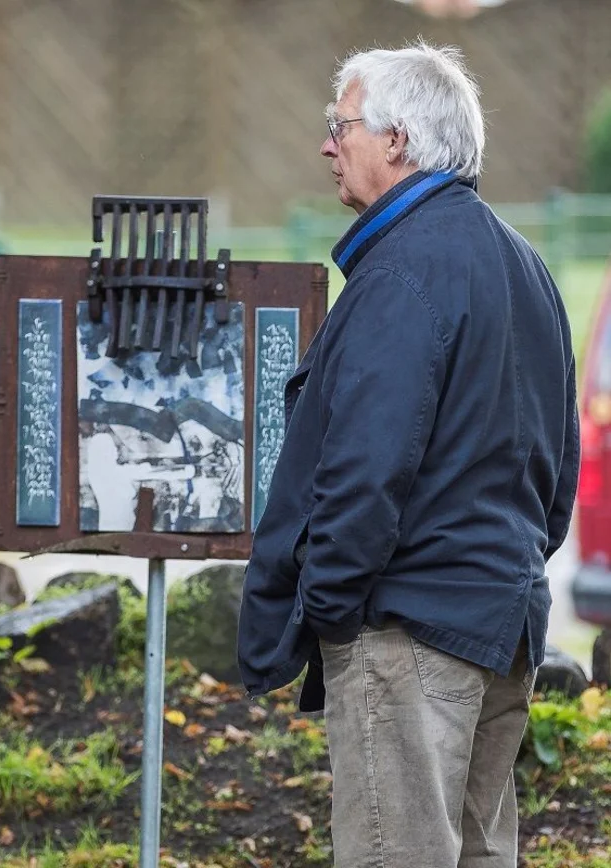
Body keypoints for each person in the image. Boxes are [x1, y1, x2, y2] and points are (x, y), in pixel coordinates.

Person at [237, 42, 577, 866]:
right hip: (502, 626)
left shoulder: (401, 273)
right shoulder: (526, 267)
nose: (327, 145)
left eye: (341, 125)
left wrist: (330, 611)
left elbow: (363, 472)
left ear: (397, 140)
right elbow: (557, 478)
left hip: (409, 633)